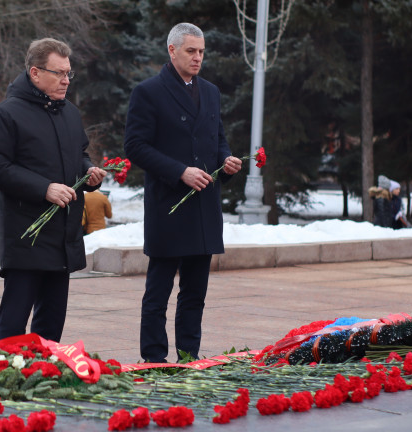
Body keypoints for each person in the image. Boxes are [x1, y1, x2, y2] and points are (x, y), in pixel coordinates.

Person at [124, 23, 242, 363]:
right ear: (172, 50)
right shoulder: (148, 92)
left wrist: (226, 160)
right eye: (191, 51)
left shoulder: (211, 91)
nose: (198, 57)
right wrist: (179, 171)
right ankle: (154, 358)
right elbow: (135, 146)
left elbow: (217, 138)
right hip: (169, 204)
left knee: (195, 292)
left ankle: (189, 357)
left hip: (204, 205)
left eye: (202, 51)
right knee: (158, 291)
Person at [0, 38, 106, 343]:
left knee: (51, 325)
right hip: (26, 235)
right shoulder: (6, 114)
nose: (66, 80)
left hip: (62, 236)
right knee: (14, 323)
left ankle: (44, 380)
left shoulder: (70, 113)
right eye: (58, 73)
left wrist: (89, 171)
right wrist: (44, 188)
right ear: (35, 73)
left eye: (68, 73)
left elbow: (80, 154)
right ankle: (5, 378)